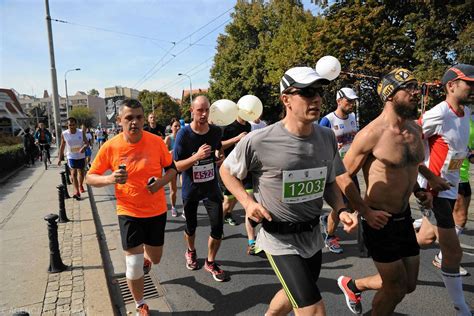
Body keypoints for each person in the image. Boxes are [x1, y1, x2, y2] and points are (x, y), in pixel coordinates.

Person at [220, 67, 359, 315]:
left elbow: (328, 182)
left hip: (312, 237)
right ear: (286, 99)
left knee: (294, 293)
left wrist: (341, 209)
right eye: (306, 92)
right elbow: (227, 171)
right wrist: (248, 203)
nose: (316, 98)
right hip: (279, 240)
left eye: (318, 91)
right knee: (313, 309)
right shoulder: (259, 140)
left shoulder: (327, 136)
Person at [336, 68, 431, 315]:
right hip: (378, 220)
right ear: (390, 95)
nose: (415, 92)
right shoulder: (371, 133)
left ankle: (353, 285)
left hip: (404, 217)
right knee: (395, 287)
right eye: (408, 87)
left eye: (416, 86)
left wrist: (420, 190)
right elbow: (342, 174)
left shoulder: (414, 130)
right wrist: (364, 211)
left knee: (409, 285)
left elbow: (409, 168)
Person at [86, 99, 176, 316]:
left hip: (156, 211)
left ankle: (147, 256)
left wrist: (160, 184)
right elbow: (90, 177)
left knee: (155, 259)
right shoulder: (111, 146)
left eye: (139, 117)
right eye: (129, 118)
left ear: (144, 119)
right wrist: (110, 180)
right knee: (134, 264)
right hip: (128, 211)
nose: (134, 122)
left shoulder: (156, 142)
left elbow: (172, 170)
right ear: (119, 121)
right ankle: (140, 304)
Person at [416, 63, 473, 315]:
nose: (472, 88)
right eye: (468, 83)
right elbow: (407, 142)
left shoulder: (467, 112)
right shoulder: (438, 113)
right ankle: (461, 307)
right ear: (451, 85)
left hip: (451, 187)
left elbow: (454, 148)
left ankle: (357, 282)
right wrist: (427, 178)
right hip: (433, 190)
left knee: (425, 238)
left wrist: (468, 154)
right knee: (452, 250)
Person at [173, 95, 229, 282]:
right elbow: (177, 166)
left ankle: (210, 261)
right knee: (191, 226)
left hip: (211, 187)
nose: (204, 114)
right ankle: (191, 251)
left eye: (207, 110)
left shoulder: (215, 132)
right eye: (200, 110)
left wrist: (218, 158)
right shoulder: (183, 134)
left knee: (217, 227)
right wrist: (196, 157)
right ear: (192, 111)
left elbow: (218, 150)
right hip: (191, 187)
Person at [319, 87, 359, 254]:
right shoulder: (327, 121)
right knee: (339, 206)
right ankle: (330, 236)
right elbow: (318, 146)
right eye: (348, 101)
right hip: (335, 171)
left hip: (352, 169)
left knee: (353, 203)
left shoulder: (352, 117)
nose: (352, 104)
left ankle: (326, 219)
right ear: (338, 101)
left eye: (353, 101)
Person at [219, 116, 259, 255]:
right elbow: (219, 145)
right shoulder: (228, 126)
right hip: (231, 169)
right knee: (228, 202)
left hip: (247, 169)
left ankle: (251, 242)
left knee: (250, 202)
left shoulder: (248, 125)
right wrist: (236, 139)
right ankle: (219, 225)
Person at [58, 117, 88, 200]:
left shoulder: (81, 132)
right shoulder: (64, 134)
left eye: (73, 124)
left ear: (76, 125)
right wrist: (60, 157)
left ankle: (81, 185)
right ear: (67, 125)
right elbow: (62, 146)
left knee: (81, 173)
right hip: (71, 156)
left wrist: (84, 148)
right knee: (74, 173)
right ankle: (76, 191)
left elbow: (86, 143)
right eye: (69, 125)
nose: (71, 126)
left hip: (81, 156)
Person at [164, 118, 181, 217]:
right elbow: (164, 154)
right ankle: (173, 207)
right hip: (171, 166)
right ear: (171, 127)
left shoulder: (183, 137)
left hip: (182, 164)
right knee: (173, 190)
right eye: (175, 126)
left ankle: (186, 209)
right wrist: (171, 152)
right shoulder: (169, 139)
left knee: (185, 188)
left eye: (179, 126)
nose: (178, 128)